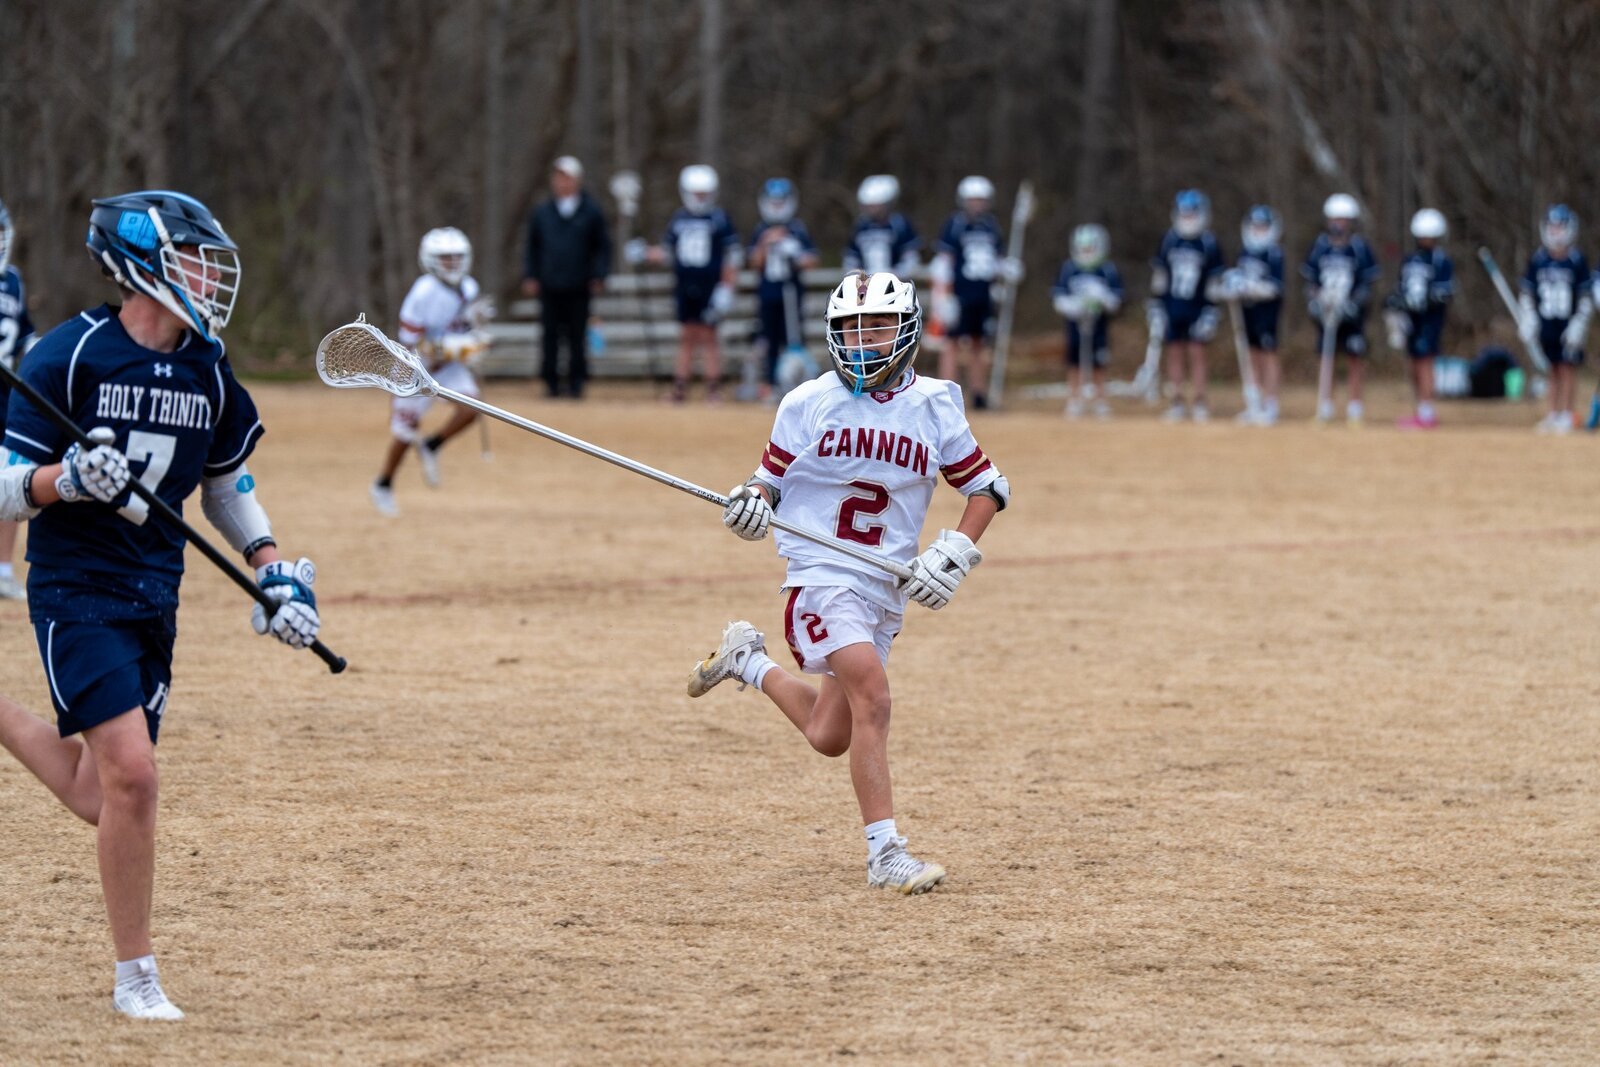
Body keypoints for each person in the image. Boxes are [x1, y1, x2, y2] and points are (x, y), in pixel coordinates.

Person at [0, 190, 323, 1020]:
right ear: (141, 263)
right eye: (195, 261)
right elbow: (4, 485)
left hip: (155, 591)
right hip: (76, 590)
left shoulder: (207, 366)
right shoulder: (67, 356)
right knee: (135, 778)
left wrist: (274, 571)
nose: (210, 278)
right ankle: (135, 975)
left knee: (99, 792)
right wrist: (66, 480)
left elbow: (226, 486)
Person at [685, 269, 1010, 894]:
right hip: (821, 574)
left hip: (883, 585)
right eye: (850, 329)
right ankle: (886, 854)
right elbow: (766, 482)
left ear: (907, 329)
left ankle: (746, 659)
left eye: (878, 326)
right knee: (875, 698)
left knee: (829, 734)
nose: (863, 341)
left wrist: (956, 551)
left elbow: (988, 489)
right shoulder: (807, 401)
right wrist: (749, 506)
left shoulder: (935, 403)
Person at [369, 227, 491, 516]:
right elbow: (410, 342)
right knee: (404, 433)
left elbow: (469, 327)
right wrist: (450, 348)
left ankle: (432, 445)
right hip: (416, 368)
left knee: (472, 407)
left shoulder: (469, 287)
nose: (453, 262)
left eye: (457, 256)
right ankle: (383, 483)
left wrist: (475, 340)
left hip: (449, 367)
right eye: (446, 257)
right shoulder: (423, 293)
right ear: (431, 259)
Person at [640, 165, 739, 403]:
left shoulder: (719, 219)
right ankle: (680, 388)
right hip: (685, 285)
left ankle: (713, 389)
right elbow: (667, 252)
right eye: (697, 193)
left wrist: (726, 287)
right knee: (686, 335)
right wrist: (645, 253)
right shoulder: (679, 218)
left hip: (710, 286)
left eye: (704, 193)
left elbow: (732, 256)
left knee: (709, 335)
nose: (700, 198)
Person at [520, 155, 612, 399]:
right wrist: (531, 275)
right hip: (549, 283)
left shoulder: (591, 211)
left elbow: (602, 247)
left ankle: (576, 382)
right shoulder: (542, 212)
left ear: (577, 180)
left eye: (567, 178)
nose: (562, 182)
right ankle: (550, 382)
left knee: (577, 335)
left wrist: (599, 275)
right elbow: (532, 246)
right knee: (550, 335)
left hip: (579, 284)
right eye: (558, 177)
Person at [932, 176, 1018, 411]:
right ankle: (946, 395)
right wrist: (944, 295)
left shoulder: (991, 225)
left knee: (979, 343)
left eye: (980, 200)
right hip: (959, 294)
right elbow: (945, 261)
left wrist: (1006, 269)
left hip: (982, 294)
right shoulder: (955, 224)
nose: (977, 204)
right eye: (973, 200)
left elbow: (995, 260)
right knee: (951, 342)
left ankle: (979, 394)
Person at [1301, 193, 1380, 425]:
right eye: (1335, 219)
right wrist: (1317, 301)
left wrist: (1354, 303)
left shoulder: (1359, 247)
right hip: (1326, 313)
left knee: (1355, 358)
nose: (1339, 223)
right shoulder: (1319, 246)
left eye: (1343, 219)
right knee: (1327, 358)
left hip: (1352, 315)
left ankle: (1355, 407)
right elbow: (1310, 282)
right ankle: (1326, 405)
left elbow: (1368, 283)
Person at [1150, 189, 1225, 422]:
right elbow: (1160, 276)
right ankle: (1177, 401)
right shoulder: (1169, 239)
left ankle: (1200, 400)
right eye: (1185, 213)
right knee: (1174, 352)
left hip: (1198, 308)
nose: (1188, 218)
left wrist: (1211, 311)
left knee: (1197, 353)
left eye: (1192, 213)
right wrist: (1156, 306)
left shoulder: (1208, 242)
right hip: (1173, 306)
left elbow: (1214, 281)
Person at [1519, 204, 1590, 434]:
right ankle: (1552, 413)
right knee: (1552, 368)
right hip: (1547, 322)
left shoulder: (1576, 260)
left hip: (1568, 323)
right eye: (1552, 227)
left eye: (1560, 227)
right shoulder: (1539, 259)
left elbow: (1585, 296)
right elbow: (1527, 292)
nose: (1555, 232)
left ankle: (1567, 414)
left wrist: (1579, 323)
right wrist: (1529, 318)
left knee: (1567, 367)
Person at [747, 178, 819, 402]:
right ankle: (771, 384)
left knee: (794, 338)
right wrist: (765, 243)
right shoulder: (761, 229)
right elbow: (754, 262)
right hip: (768, 293)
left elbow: (811, 259)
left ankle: (796, 387)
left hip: (791, 293)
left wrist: (795, 254)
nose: (777, 206)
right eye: (773, 202)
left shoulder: (796, 228)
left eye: (780, 202)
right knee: (769, 339)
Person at [0, 196, 39, 598]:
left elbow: (25, 332)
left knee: (9, 476)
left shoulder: (13, 280)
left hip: (5, 391)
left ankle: (2, 568)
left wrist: (39, 354)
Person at [1386, 208, 1454, 430]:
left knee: (1425, 362)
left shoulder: (1441, 260)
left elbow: (1445, 293)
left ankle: (1427, 412)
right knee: (1413, 363)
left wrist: (1426, 300)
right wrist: (1396, 303)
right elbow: (1401, 287)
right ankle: (1419, 409)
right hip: (1411, 320)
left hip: (1430, 320)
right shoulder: (1410, 260)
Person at [1051, 223, 1123, 419]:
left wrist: (1102, 299)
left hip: (1098, 323)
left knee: (1099, 361)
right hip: (1076, 323)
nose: (1086, 252)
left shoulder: (1106, 269)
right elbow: (1059, 296)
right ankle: (1074, 399)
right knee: (1074, 361)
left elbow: (1116, 299)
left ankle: (1100, 400)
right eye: (1083, 248)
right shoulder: (1069, 268)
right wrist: (1072, 306)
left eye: (1090, 248)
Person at [1227, 205, 1285, 425]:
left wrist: (1253, 287)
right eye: (1256, 226)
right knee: (1251, 355)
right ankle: (1254, 403)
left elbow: (1276, 287)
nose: (1259, 231)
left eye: (1263, 227)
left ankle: (1271, 404)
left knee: (1268, 354)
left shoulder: (1274, 253)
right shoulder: (1245, 252)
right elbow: (1236, 278)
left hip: (1266, 312)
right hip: (1247, 311)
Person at [843, 175, 920, 278]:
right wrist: (857, 276)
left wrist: (896, 275)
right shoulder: (861, 226)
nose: (871, 209)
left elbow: (910, 258)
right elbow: (851, 258)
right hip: (866, 282)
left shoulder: (899, 224)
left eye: (875, 206)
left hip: (895, 280)